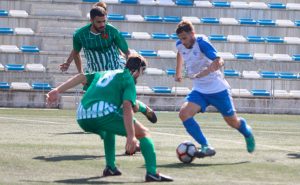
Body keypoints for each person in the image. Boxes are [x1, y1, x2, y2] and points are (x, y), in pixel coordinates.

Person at [46, 55, 173, 182]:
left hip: (82, 115)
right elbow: (128, 106)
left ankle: (110, 167)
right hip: (102, 113)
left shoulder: (106, 73)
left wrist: (57, 90)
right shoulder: (128, 79)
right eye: (142, 72)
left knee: (109, 130)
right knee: (144, 133)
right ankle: (152, 173)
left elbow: (81, 77)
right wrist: (131, 135)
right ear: (139, 70)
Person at [59, 4, 157, 124]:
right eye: (99, 22)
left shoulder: (112, 31)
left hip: (115, 70)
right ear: (91, 20)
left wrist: (132, 67)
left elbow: (127, 52)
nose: (102, 25)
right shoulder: (80, 35)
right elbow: (76, 52)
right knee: (96, 103)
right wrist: (79, 72)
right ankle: (137, 110)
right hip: (94, 73)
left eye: (104, 21)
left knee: (126, 103)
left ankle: (143, 109)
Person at [174, 20, 255, 158]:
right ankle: (206, 146)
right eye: (180, 39)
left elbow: (219, 59)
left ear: (192, 34)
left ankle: (246, 131)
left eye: (185, 38)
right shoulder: (180, 45)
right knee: (184, 113)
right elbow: (180, 53)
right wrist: (178, 72)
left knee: (232, 122)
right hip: (199, 90)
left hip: (218, 90)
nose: (183, 42)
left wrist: (214, 66)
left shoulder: (202, 43)